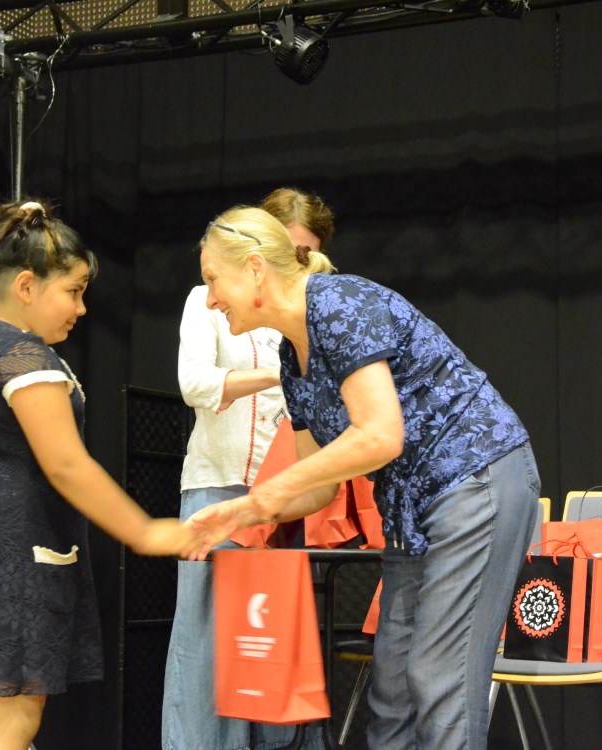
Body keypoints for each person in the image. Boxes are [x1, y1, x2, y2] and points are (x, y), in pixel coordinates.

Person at [188, 206, 542, 750]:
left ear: (255, 268)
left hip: (475, 478)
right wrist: (242, 511)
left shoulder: (338, 303)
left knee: (438, 677)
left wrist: (270, 493)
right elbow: (318, 486)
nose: (210, 298)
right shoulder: (291, 358)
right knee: (392, 688)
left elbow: (380, 435)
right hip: (411, 508)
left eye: (214, 279)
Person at [0, 199, 204, 750]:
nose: (82, 308)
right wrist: (146, 531)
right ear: (26, 286)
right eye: (73, 291)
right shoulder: (24, 357)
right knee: (11, 720)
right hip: (13, 552)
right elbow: (66, 464)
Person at [161, 188, 335, 750]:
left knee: (275, 641)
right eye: (293, 248)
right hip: (220, 486)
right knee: (208, 644)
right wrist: (282, 375)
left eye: (308, 252)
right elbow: (196, 384)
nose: (300, 260)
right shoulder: (207, 299)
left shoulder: (309, 307)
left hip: (289, 492)